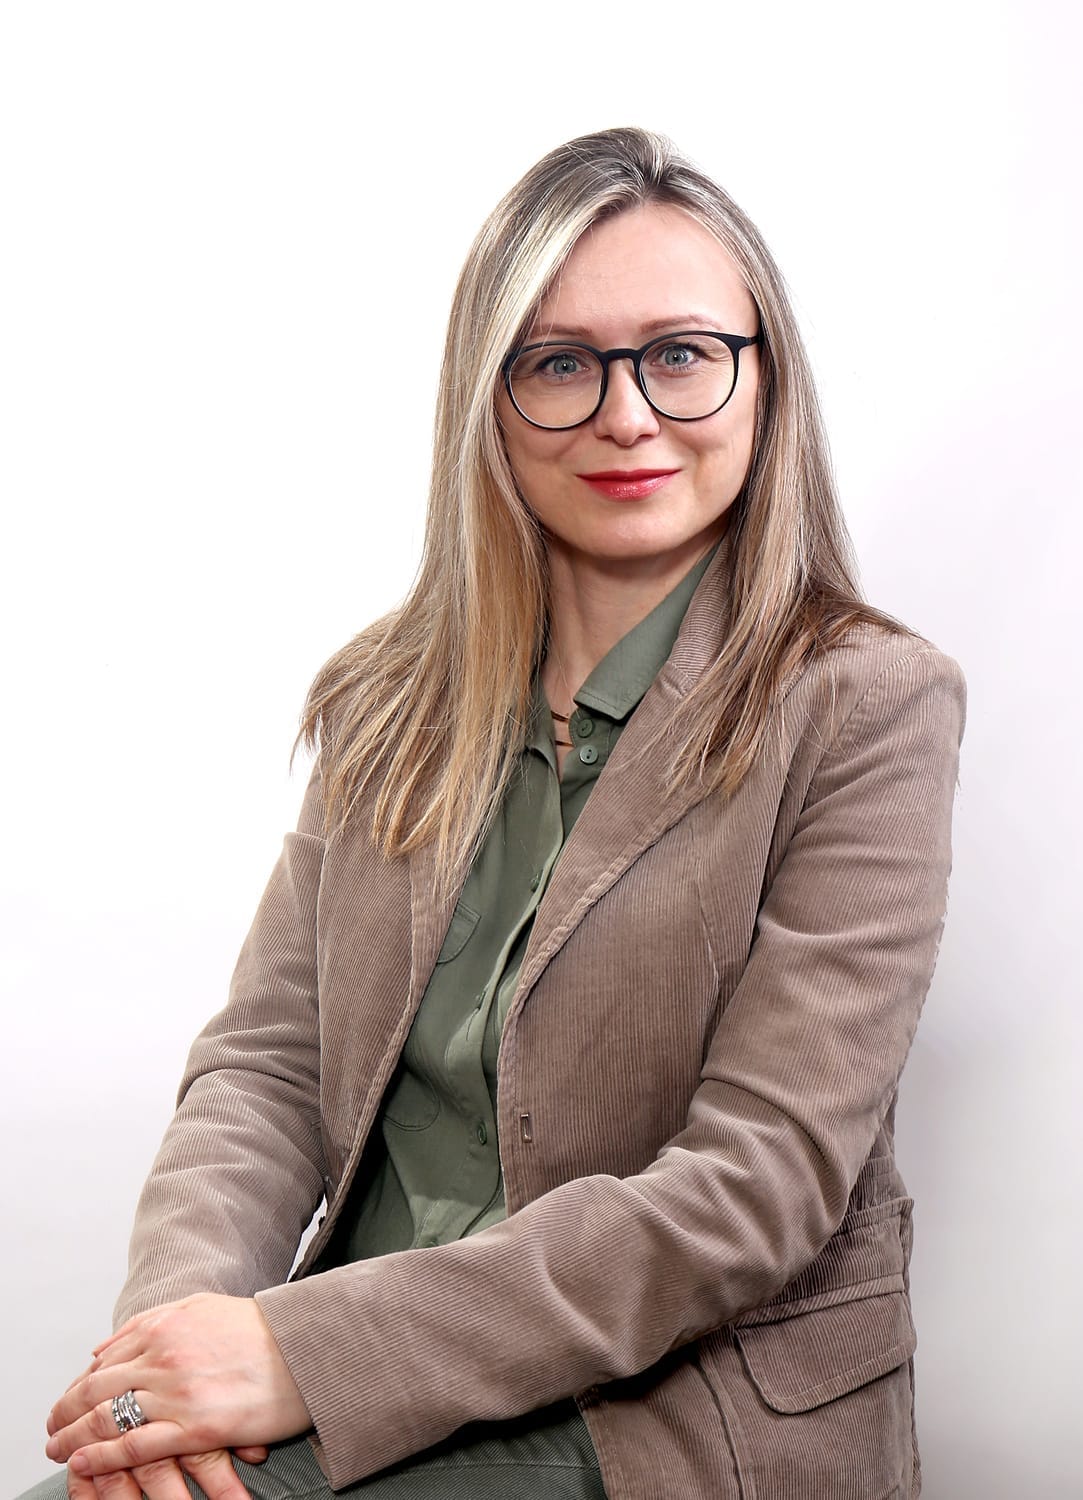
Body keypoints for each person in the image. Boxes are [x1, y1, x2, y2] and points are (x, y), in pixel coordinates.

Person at [29, 126, 965, 1500]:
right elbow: (264, 1075)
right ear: (490, 398)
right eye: (559, 363)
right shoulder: (389, 700)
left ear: (765, 378)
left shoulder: (868, 705)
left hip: (660, 1407)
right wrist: (167, 1376)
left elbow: (754, 1189)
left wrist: (296, 1355)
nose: (628, 415)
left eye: (682, 353)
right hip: (331, 1374)